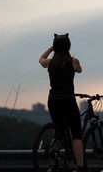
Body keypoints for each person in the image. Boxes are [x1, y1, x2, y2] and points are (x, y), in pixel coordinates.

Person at [39, 33, 84, 172]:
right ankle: (80, 168)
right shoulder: (73, 61)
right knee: (76, 134)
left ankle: (52, 166)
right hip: (68, 100)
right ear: (68, 46)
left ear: (55, 46)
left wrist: (50, 49)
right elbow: (80, 70)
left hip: (53, 101)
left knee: (59, 131)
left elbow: (41, 59)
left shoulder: (50, 63)